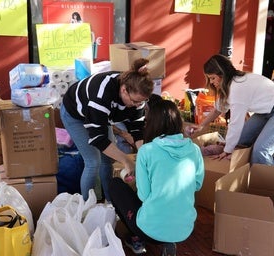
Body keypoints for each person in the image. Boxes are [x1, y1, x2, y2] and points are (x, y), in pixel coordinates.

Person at [109, 99, 205, 256]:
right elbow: (197, 184)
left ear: (151, 122)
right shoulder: (194, 149)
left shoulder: (146, 151)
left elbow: (144, 195)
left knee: (114, 185)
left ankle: (136, 239)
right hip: (184, 229)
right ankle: (169, 240)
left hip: (149, 230)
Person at [60, 58, 154, 202]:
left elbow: (137, 129)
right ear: (124, 90)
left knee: (107, 160)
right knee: (93, 162)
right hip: (74, 114)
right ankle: (86, 209)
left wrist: (143, 155)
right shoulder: (101, 95)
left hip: (102, 115)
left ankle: (110, 203)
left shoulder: (137, 95)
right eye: (135, 102)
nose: (137, 106)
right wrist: (126, 161)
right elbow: (98, 139)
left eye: (141, 102)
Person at [187, 54, 274, 165]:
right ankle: (248, 172)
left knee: (260, 151)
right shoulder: (231, 83)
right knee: (238, 142)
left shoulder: (237, 88)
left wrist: (227, 151)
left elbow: (236, 123)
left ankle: (268, 181)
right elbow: (217, 109)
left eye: (213, 78)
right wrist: (201, 125)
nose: (211, 82)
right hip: (266, 110)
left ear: (223, 74)